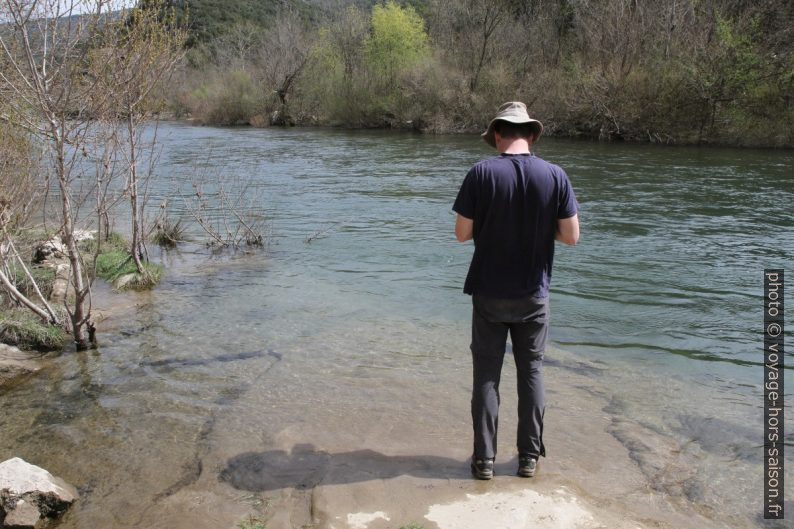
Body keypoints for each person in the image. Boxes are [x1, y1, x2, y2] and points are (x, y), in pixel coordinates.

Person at [452, 101, 579, 480]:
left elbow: (461, 235)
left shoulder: (481, 173)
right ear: (532, 134)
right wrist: (543, 230)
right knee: (533, 372)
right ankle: (528, 459)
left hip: (489, 293)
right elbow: (572, 237)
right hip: (533, 295)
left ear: (496, 135)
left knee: (487, 376)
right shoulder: (555, 175)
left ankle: (484, 460)